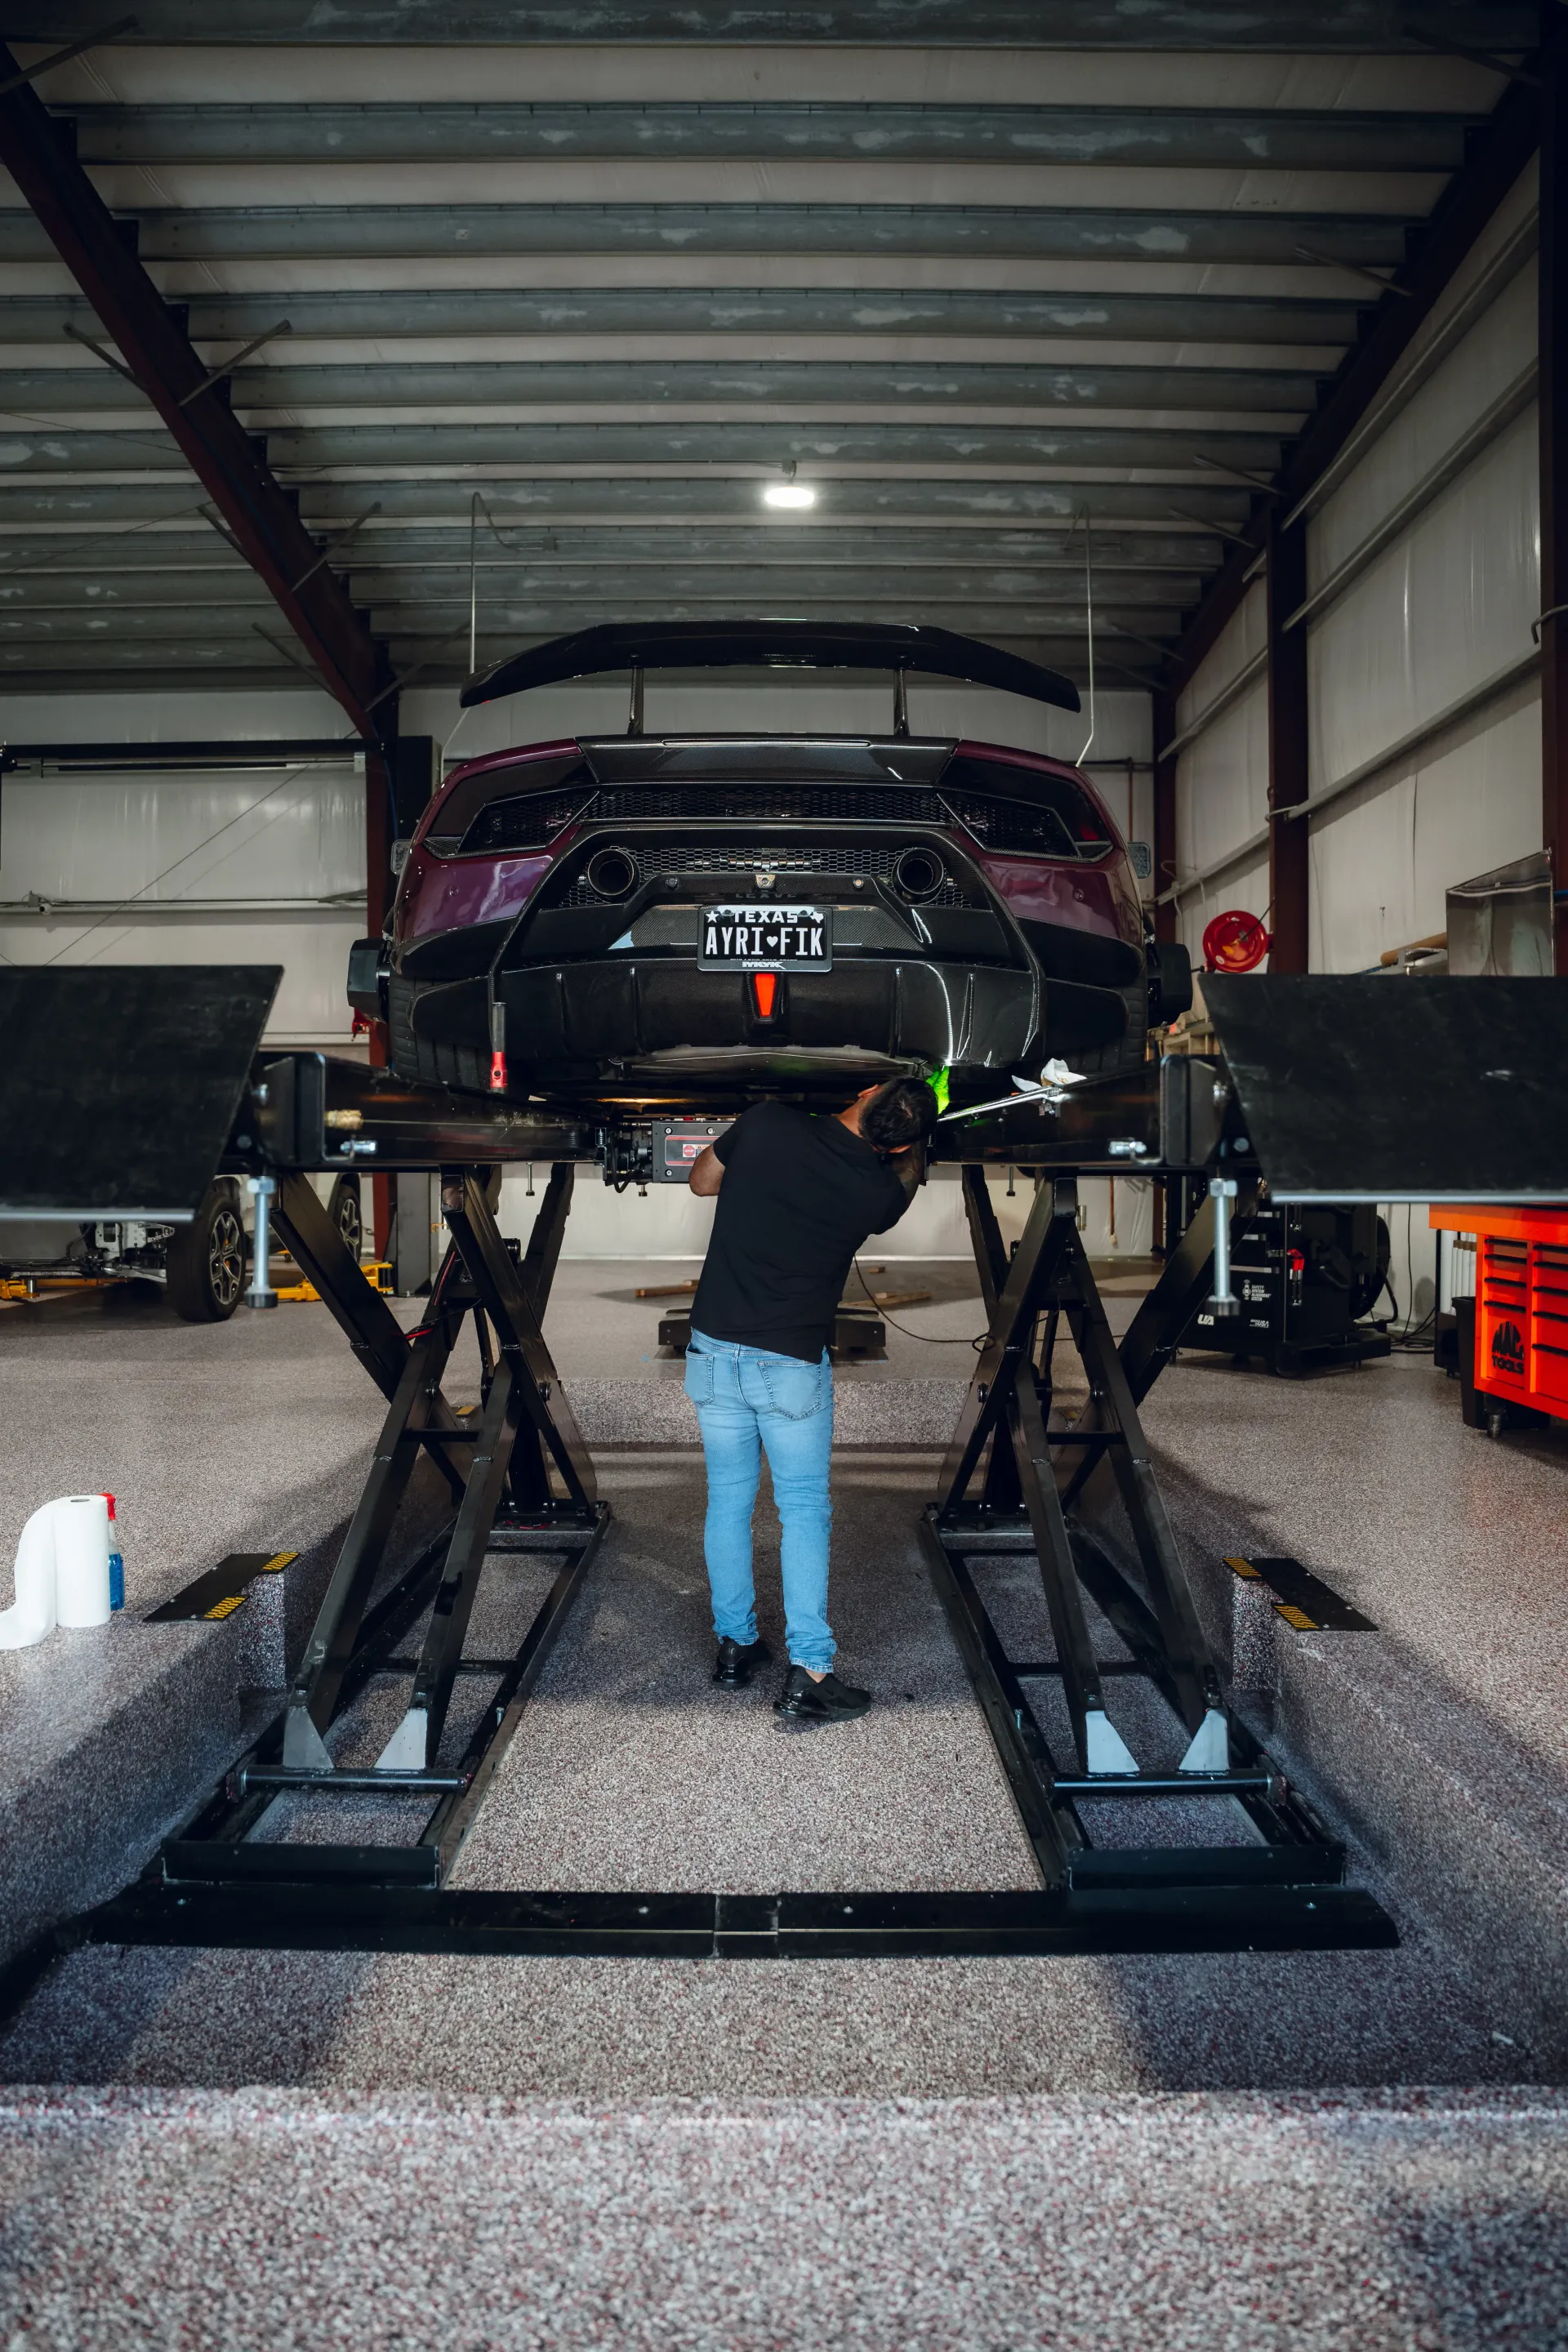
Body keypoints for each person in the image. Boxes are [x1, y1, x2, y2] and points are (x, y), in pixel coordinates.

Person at [684, 1076, 938, 1724]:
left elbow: (702, 1181)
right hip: (790, 1366)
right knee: (801, 1511)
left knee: (728, 1505)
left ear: (868, 1089)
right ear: (903, 1144)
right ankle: (812, 1670)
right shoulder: (880, 1193)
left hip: (712, 1354)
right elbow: (903, 1177)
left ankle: (736, 1646)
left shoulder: (766, 1119)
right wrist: (908, 1151)